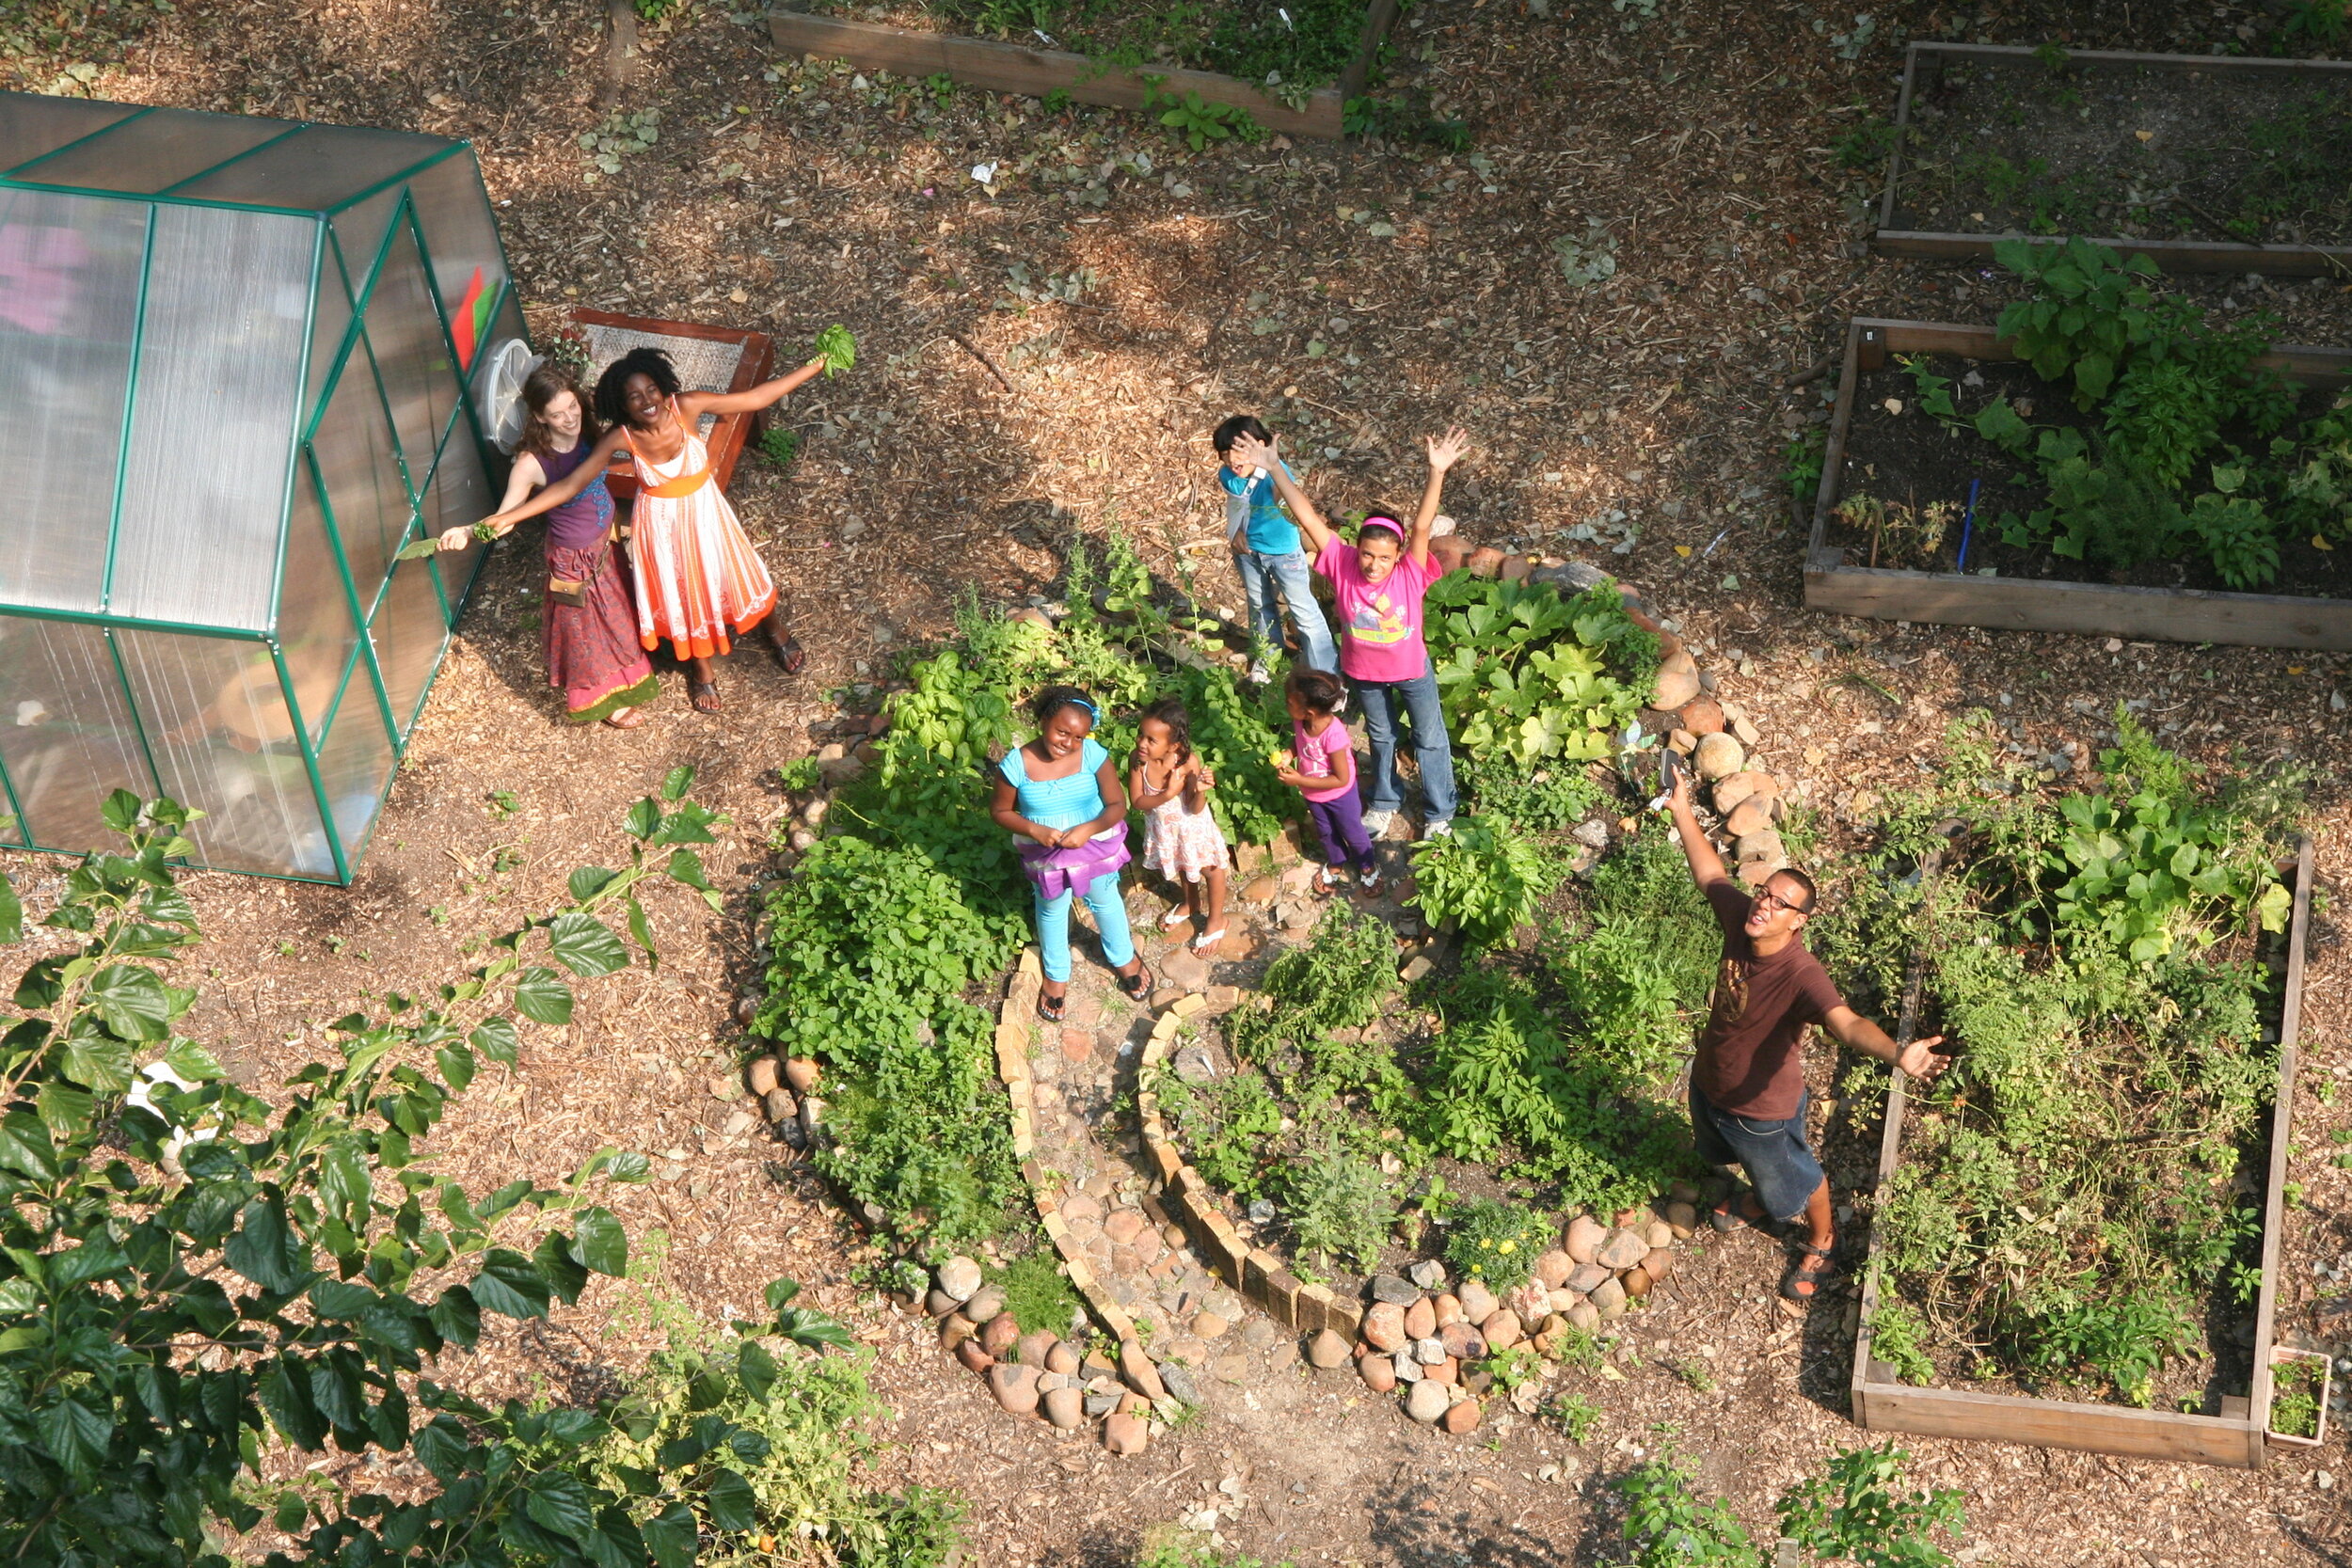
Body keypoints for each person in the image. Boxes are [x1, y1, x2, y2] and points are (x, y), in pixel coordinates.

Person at [1664, 765, 1948, 1303]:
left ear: (1798, 922)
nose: (1763, 905)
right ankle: (1758, 1197)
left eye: (1779, 903)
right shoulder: (1741, 921)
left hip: (1762, 1109)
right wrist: (1681, 807)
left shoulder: (1801, 973)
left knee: (1798, 1176)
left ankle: (1822, 1237)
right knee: (1742, 1162)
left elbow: (1845, 1022)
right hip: (1712, 1082)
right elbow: (1710, 876)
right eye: (1764, 893)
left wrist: (1896, 1053)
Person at [463, 345, 829, 713]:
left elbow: (754, 398)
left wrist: (813, 367)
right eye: (634, 397)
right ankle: (701, 669)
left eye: (651, 390)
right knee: (684, 592)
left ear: (663, 386)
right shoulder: (622, 437)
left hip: (707, 515)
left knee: (736, 571)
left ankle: (775, 630)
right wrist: (507, 517)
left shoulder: (686, 406)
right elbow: (569, 485)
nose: (647, 401)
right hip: (662, 529)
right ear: (623, 406)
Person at [1228, 424, 1468, 841]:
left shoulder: (1410, 572)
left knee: (1429, 738)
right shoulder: (1340, 563)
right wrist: (1274, 468)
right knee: (1381, 736)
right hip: (1365, 674)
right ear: (1357, 550)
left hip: (1412, 671)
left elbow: (1424, 527)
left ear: (1398, 558)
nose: (1374, 566)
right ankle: (1385, 802)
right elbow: (1306, 515)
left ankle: (1439, 812)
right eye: (1368, 556)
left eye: (1384, 559)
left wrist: (1437, 473)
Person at [440, 365, 655, 728]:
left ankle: (632, 666)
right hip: (575, 560)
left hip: (608, 543)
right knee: (586, 632)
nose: (569, 418)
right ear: (540, 416)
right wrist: (469, 531)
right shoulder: (530, 463)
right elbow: (507, 515)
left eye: (573, 406)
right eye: (558, 413)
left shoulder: (590, 432)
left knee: (618, 613)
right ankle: (604, 699)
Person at [990, 686, 1152, 1022]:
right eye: (1062, 731)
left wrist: (1088, 829)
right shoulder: (1016, 765)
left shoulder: (1092, 755)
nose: (1068, 742)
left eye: (1078, 736)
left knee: (1106, 900)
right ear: (1043, 720)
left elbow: (1116, 805)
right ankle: (1056, 974)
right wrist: (1035, 830)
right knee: (1051, 909)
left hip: (1093, 848)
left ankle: (1123, 955)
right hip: (1047, 855)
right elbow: (1000, 812)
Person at [1213, 414, 1335, 680]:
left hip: (1284, 553)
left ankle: (1326, 674)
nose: (1233, 461)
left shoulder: (1274, 474)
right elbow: (1237, 507)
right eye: (1225, 454)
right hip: (1248, 552)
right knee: (1259, 605)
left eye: (1238, 452)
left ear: (1259, 445)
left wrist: (1275, 470)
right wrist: (1236, 533)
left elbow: (1288, 500)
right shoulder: (1228, 475)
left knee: (1303, 609)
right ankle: (1269, 658)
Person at [1129, 697, 1231, 952]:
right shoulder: (1138, 761)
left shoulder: (1186, 763)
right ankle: (1191, 902)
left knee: (1211, 869)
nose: (1142, 743)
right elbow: (1138, 802)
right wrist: (1167, 794)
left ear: (1172, 744)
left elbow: (1195, 808)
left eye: (1151, 740)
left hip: (1192, 829)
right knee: (1184, 866)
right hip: (1166, 831)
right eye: (1141, 735)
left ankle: (1217, 920)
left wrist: (1201, 791)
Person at [1274, 666, 1378, 897]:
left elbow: (1341, 779)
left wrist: (1300, 779)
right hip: (1314, 795)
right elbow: (1299, 742)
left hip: (1341, 795)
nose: (1286, 705)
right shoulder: (1302, 723)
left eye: (1289, 703)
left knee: (1352, 831)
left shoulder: (1334, 735)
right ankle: (1337, 860)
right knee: (1326, 831)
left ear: (1309, 711)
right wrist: (1290, 754)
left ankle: (1367, 865)